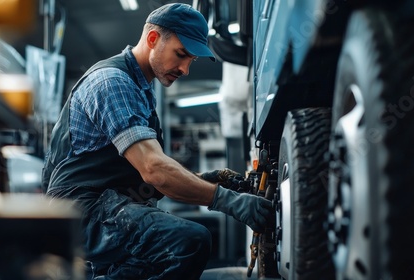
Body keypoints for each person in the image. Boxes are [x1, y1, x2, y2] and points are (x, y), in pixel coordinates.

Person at [42, 3, 272, 279]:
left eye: (192, 60)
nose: (185, 69)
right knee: (188, 242)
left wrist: (204, 180)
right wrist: (229, 201)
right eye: (181, 54)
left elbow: (146, 177)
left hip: (106, 206)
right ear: (152, 39)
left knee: (150, 263)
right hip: (81, 213)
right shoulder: (113, 83)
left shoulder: (141, 91)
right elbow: (154, 170)